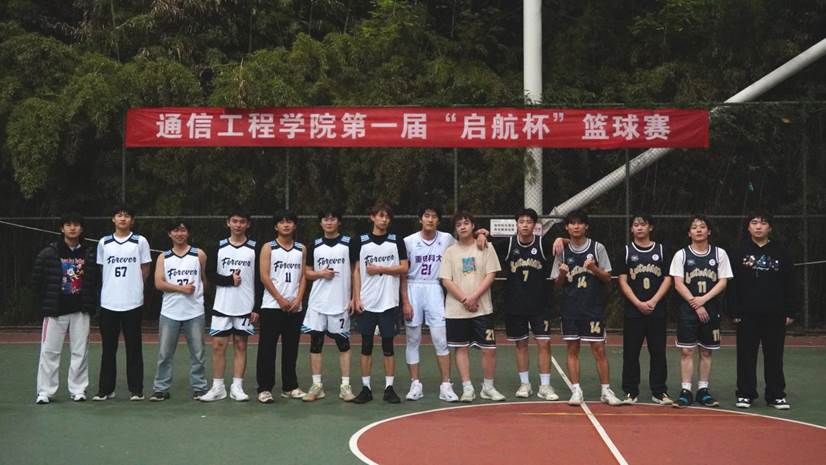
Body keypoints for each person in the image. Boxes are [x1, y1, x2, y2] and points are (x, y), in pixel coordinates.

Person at [478, 208, 560, 401]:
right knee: (521, 344)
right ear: (516, 224)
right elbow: (483, 244)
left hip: (540, 303)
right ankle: (525, 384)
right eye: (521, 221)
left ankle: (545, 386)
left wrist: (560, 239)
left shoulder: (543, 243)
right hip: (515, 303)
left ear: (535, 225)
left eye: (528, 221)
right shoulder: (508, 244)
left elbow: (569, 242)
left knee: (544, 343)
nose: (525, 225)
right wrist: (481, 234)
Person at [551, 210, 622, 407]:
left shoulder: (598, 248)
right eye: (572, 223)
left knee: (599, 349)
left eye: (580, 223)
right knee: (572, 349)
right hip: (570, 308)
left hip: (593, 308)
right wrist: (562, 274)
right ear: (567, 227)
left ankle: (606, 390)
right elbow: (557, 284)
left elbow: (608, 278)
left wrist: (594, 269)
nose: (576, 226)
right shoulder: (562, 251)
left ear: (586, 226)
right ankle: (576, 390)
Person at [730, 211, 795, 410]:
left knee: (774, 355)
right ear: (748, 226)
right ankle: (745, 394)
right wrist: (734, 311)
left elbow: (791, 283)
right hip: (747, 314)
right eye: (754, 222)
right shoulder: (738, 251)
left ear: (770, 228)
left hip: (775, 313)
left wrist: (791, 311)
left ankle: (776, 395)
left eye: (763, 223)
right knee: (746, 355)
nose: (758, 226)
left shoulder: (781, 251)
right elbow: (732, 284)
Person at [439, 211, 505, 403]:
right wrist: (464, 300)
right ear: (455, 229)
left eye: (466, 223)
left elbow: (490, 275)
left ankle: (488, 387)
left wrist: (474, 297)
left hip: (482, 308)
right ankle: (467, 388)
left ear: (473, 226)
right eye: (459, 224)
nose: (462, 226)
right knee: (461, 348)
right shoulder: (450, 252)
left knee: (489, 349)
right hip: (456, 310)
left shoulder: (486, 246)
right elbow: (446, 280)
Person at [33, 213, 97, 404]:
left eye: (76, 225)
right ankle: (45, 392)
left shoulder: (89, 253)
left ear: (81, 229)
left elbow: (95, 280)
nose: (72, 228)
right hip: (55, 310)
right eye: (68, 225)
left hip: (80, 310)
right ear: (62, 228)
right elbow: (37, 281)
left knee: (80, 351)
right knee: (49, 351)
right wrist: (45, 303)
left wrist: (90, 303)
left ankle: (78, 389)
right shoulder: (49, 252)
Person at [669, 215, 732, 408]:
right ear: (689, 233)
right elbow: (678, 283)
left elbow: (723, 281)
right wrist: (696, 303)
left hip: (711, 308)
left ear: (708, 231)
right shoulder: (681, 255)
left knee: (706, 351)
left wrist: (703, 300)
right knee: (687, 350)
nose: (698, 230)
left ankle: (703, 390)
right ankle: (686, 390)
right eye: (694, 227)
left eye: (702, 226)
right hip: (688, 310)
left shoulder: (719, 254)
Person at [399, 205, 460, 402]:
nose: (430, 219)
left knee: (440, 339)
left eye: (434, 216)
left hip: (434, 287)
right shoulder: (409, 241)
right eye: (427, 216)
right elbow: (403, 274)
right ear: (420, 219)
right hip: (413, 287)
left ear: (438, 221)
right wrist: (405, 301)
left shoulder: (447, 239)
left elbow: (465, 244)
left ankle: (446, 385)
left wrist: (481, 234)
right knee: (413, 339)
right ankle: (415, 383)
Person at [351, 202, 409, 404]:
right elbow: (356, 271)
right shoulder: (360, 241)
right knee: (366, 346)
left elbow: (404, 268)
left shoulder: (396, 241)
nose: (384, 219)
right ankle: (365, 388)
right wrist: (356, 297)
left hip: (388, 302)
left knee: (388, 346)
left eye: (387, 216)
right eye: (380, 215)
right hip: (367, 302)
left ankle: (389, 388)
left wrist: (381, 269)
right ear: (372, 217)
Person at [200, 210, 261, 402]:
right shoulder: (218, 247)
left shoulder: (255, 248)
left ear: (248, 224)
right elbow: (209, 274)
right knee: (218, 346)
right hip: (222, 305)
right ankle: (218, 387)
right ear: (228, 223)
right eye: (234, 221)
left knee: (241, 345)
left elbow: (260, 279)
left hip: (245, 305)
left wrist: (256, 307)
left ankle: (237, 387)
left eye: (242, 221)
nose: (238, 225)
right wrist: (228, 280)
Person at [93, 206, 152, 401]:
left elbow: (145, 269)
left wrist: (135, 287)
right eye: (119, 215)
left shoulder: (140, 241)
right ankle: (106, 389)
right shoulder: (104, 242)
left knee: (134, 347)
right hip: (109, 302)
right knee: (108, 349)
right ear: (113, 219)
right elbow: (102, 269)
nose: (123, 219)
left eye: (127, 216)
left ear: (132, 220)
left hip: (132, 302)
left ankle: (136, 390)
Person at [614, 214, 673, 405]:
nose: (639, 228)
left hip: (657, 310)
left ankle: (659, 391)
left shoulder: (662, 250)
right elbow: (623, 281)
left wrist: (654, 301)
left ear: (650, 227)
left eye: (643, 224)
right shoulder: (626, 251)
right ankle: (630, 392)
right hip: (633, 311)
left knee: (658, 352)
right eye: (636, 225)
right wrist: (637, 302)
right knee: (631, 353)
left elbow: (668, 278)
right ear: (631, 229)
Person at [301, 208, 356, 402]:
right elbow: (307, 272)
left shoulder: (348, 244)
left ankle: (345, 386)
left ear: (339, 222)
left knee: (343, 344)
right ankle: (317, 385)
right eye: (325, 219)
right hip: (318, 303)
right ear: (321, 222)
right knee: (316, 343)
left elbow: (356, 271)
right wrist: (320, 274)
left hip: (340, 303)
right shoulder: (314, 245)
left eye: (333, 219)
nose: (329, 222)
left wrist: (354, 297)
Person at [150, 220, 208, 401]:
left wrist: (198, 297)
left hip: (195, 311)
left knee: (198, 353)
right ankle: (160, 388)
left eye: (183, 230)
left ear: (188, 233)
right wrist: (181, 289)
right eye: (175, 230)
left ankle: (199, 387)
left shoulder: (199, 254)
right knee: (165, 353)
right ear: (170, 234)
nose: (179, 234)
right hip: (170, 312)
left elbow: (204, 280)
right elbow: (159, 283)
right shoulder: (163, 257)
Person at [256, 210, 308, 403]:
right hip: (272, 306)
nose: (286, 225)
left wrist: (298, 299)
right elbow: (264, 276)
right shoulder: (268, 247)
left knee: (291, 348)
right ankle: (264, 388)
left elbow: (303, 276)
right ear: (276, 226)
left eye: (290, 222)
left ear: (295, 225)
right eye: (282, 222)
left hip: (294, 307)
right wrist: (279, 299)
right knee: (267, 348)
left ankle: (290, 386)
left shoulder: (301, 249)